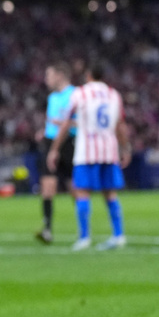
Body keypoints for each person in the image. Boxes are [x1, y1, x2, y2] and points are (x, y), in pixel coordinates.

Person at [47, 64, 130, 251]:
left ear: (88, 75)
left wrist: (54, 149)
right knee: (110, 193)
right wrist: (125, 149)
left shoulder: (80, 93)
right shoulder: (113, 94)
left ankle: (84, 238)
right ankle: (119, 235)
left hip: (86, 151)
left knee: (82, 192)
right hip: (109, 150)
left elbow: (66, 123)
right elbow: (120, 125)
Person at [36, 62, 76, 243]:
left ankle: (84, 229)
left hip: (70, 143)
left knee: (74, 188)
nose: (46, 79)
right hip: (50, 143)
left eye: (49, 75)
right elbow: (52, 123)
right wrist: (45, 131)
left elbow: (79, 123)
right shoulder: (52, 98)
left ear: (60, 75)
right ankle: (47, 229)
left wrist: (62, 125)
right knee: (47, 186)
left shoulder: (76, 95)